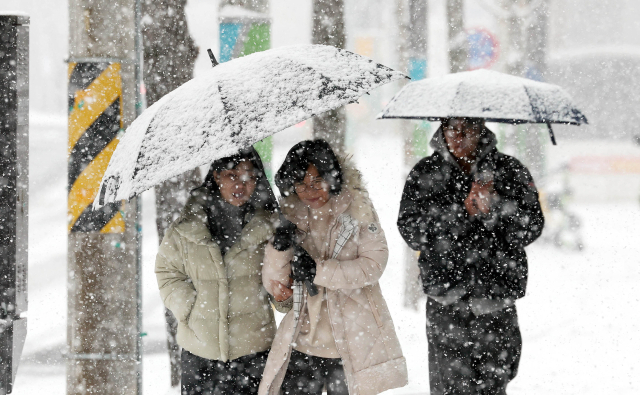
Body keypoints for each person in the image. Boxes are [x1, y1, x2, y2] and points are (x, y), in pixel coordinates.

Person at [397, 118, 544, 395]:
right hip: (446, 299)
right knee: (449, 386)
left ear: (482, 129)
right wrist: (461, 214)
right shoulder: (426, 172)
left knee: (495, 383)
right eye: (453, 128)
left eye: (469, 129)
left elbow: (532, 226)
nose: (460, 136)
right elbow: (411, 230)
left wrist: (495, 209)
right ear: (442, 128)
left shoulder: (508, 170)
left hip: (496, 298)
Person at [258, 139, 408, 395]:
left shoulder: (357, 208)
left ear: (332, 176)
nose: (309, 191)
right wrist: (279, 247)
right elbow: (274, 283)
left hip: (350, 342)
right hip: (301, 341)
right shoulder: (290, 214)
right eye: (301, 184)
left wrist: (319, 271)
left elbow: (374, 264)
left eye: (317, 181)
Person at [155, 147, 288, 395]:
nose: (240, 184)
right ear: (216, 176)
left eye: (248, 176)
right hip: (200, 354)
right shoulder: (187, 226)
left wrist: (284, 297)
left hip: (254, 354)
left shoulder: (269, 226)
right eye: (231, 175)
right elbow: (167, 272)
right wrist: (190, 307)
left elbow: (280, 282)